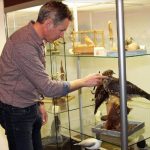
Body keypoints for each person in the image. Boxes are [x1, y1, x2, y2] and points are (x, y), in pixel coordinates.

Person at [0, 1, 106, 150]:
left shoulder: (36, 39)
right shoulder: (23, 44)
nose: (62, 36)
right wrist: (83, 81)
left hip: (30, 105)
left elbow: (32, 78)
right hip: (16, 112)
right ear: (48, 23)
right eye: (61, 30)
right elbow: (48, 88)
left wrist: (39, 102)